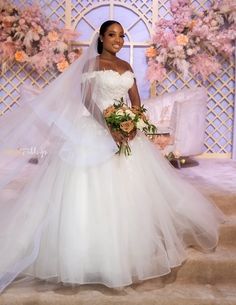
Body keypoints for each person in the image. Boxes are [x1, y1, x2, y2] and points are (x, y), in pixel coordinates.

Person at [0, 20, 225, 292]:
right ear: (102, 38)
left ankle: (129, 249)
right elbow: (87, 100)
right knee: (87, 189)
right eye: (112, 35)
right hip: (94, 130)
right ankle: (87, 254)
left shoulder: (126, 67)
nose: (117, 40)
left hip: (125, 132)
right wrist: (109, 126)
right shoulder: (91, 65)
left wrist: (134, 122)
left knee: (132, 191)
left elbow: (136, 101)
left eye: (121, 35)